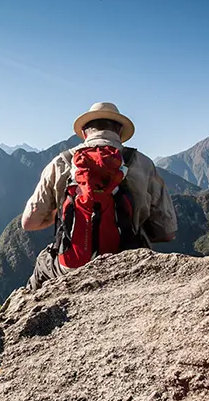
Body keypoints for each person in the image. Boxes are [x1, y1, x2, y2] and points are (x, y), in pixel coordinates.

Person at [21, 102, 177, 289]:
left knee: (42, 262)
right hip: (129, 265)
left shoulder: (60, 163)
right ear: (119, 132)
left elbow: (29, 223)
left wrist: (61, 212)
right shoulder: (142, 164)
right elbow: (167, 232)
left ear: (85, 132)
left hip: (71, 267)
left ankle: (29, 307)